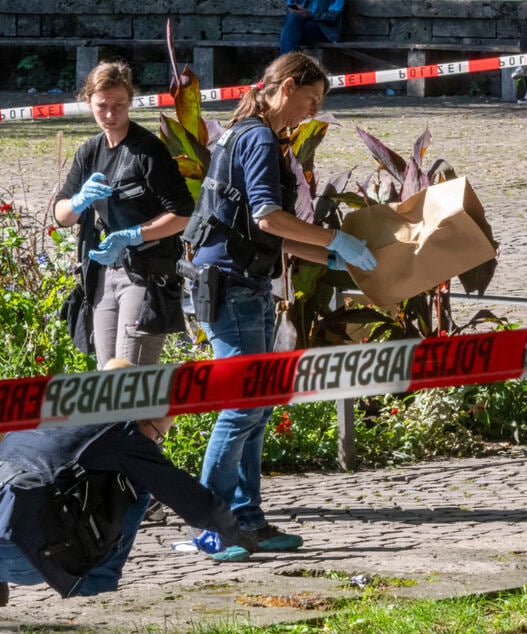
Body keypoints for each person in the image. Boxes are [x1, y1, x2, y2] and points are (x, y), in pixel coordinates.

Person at [183, 51, 376, 558]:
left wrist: (334, 258)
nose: (310, 113)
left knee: (257, 405)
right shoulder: (260, 138)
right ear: (287, 86)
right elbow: (270, 218)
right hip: (233, 285)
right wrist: (336, 239)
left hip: (237, 280)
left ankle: (247, 519)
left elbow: (267, 233)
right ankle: (212, 524)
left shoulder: (244, 132)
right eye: (310, 100)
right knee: (244, 403)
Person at [0, 363, 258, 614]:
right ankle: (97, 600)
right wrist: (235, 533)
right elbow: (191, 499)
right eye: (157, 435)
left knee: (11, 493)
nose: (154, 443)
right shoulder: (122, 430)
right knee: (137, 488)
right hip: (26, 558)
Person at [54, 60, 194, 369]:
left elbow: (184, 214)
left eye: (119, 105)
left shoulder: (148, 150)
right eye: (102, 106)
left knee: (130, 377)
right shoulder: (89, 151)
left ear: (130, 101)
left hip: (145, 272)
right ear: (88, 102)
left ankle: (145, 420)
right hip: (104, 272)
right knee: (108, 376)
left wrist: (133, 235)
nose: (110, 115)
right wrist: (78, 201)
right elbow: (61, 214)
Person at [279, 0, 346, 54]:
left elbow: (333, 16)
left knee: (290, 32)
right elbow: (292, 5)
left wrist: (309, 14)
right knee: (292, 20)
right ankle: (290, 64)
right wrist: (295, 9)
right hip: (300, 27)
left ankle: (287, 64)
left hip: (324, 30)